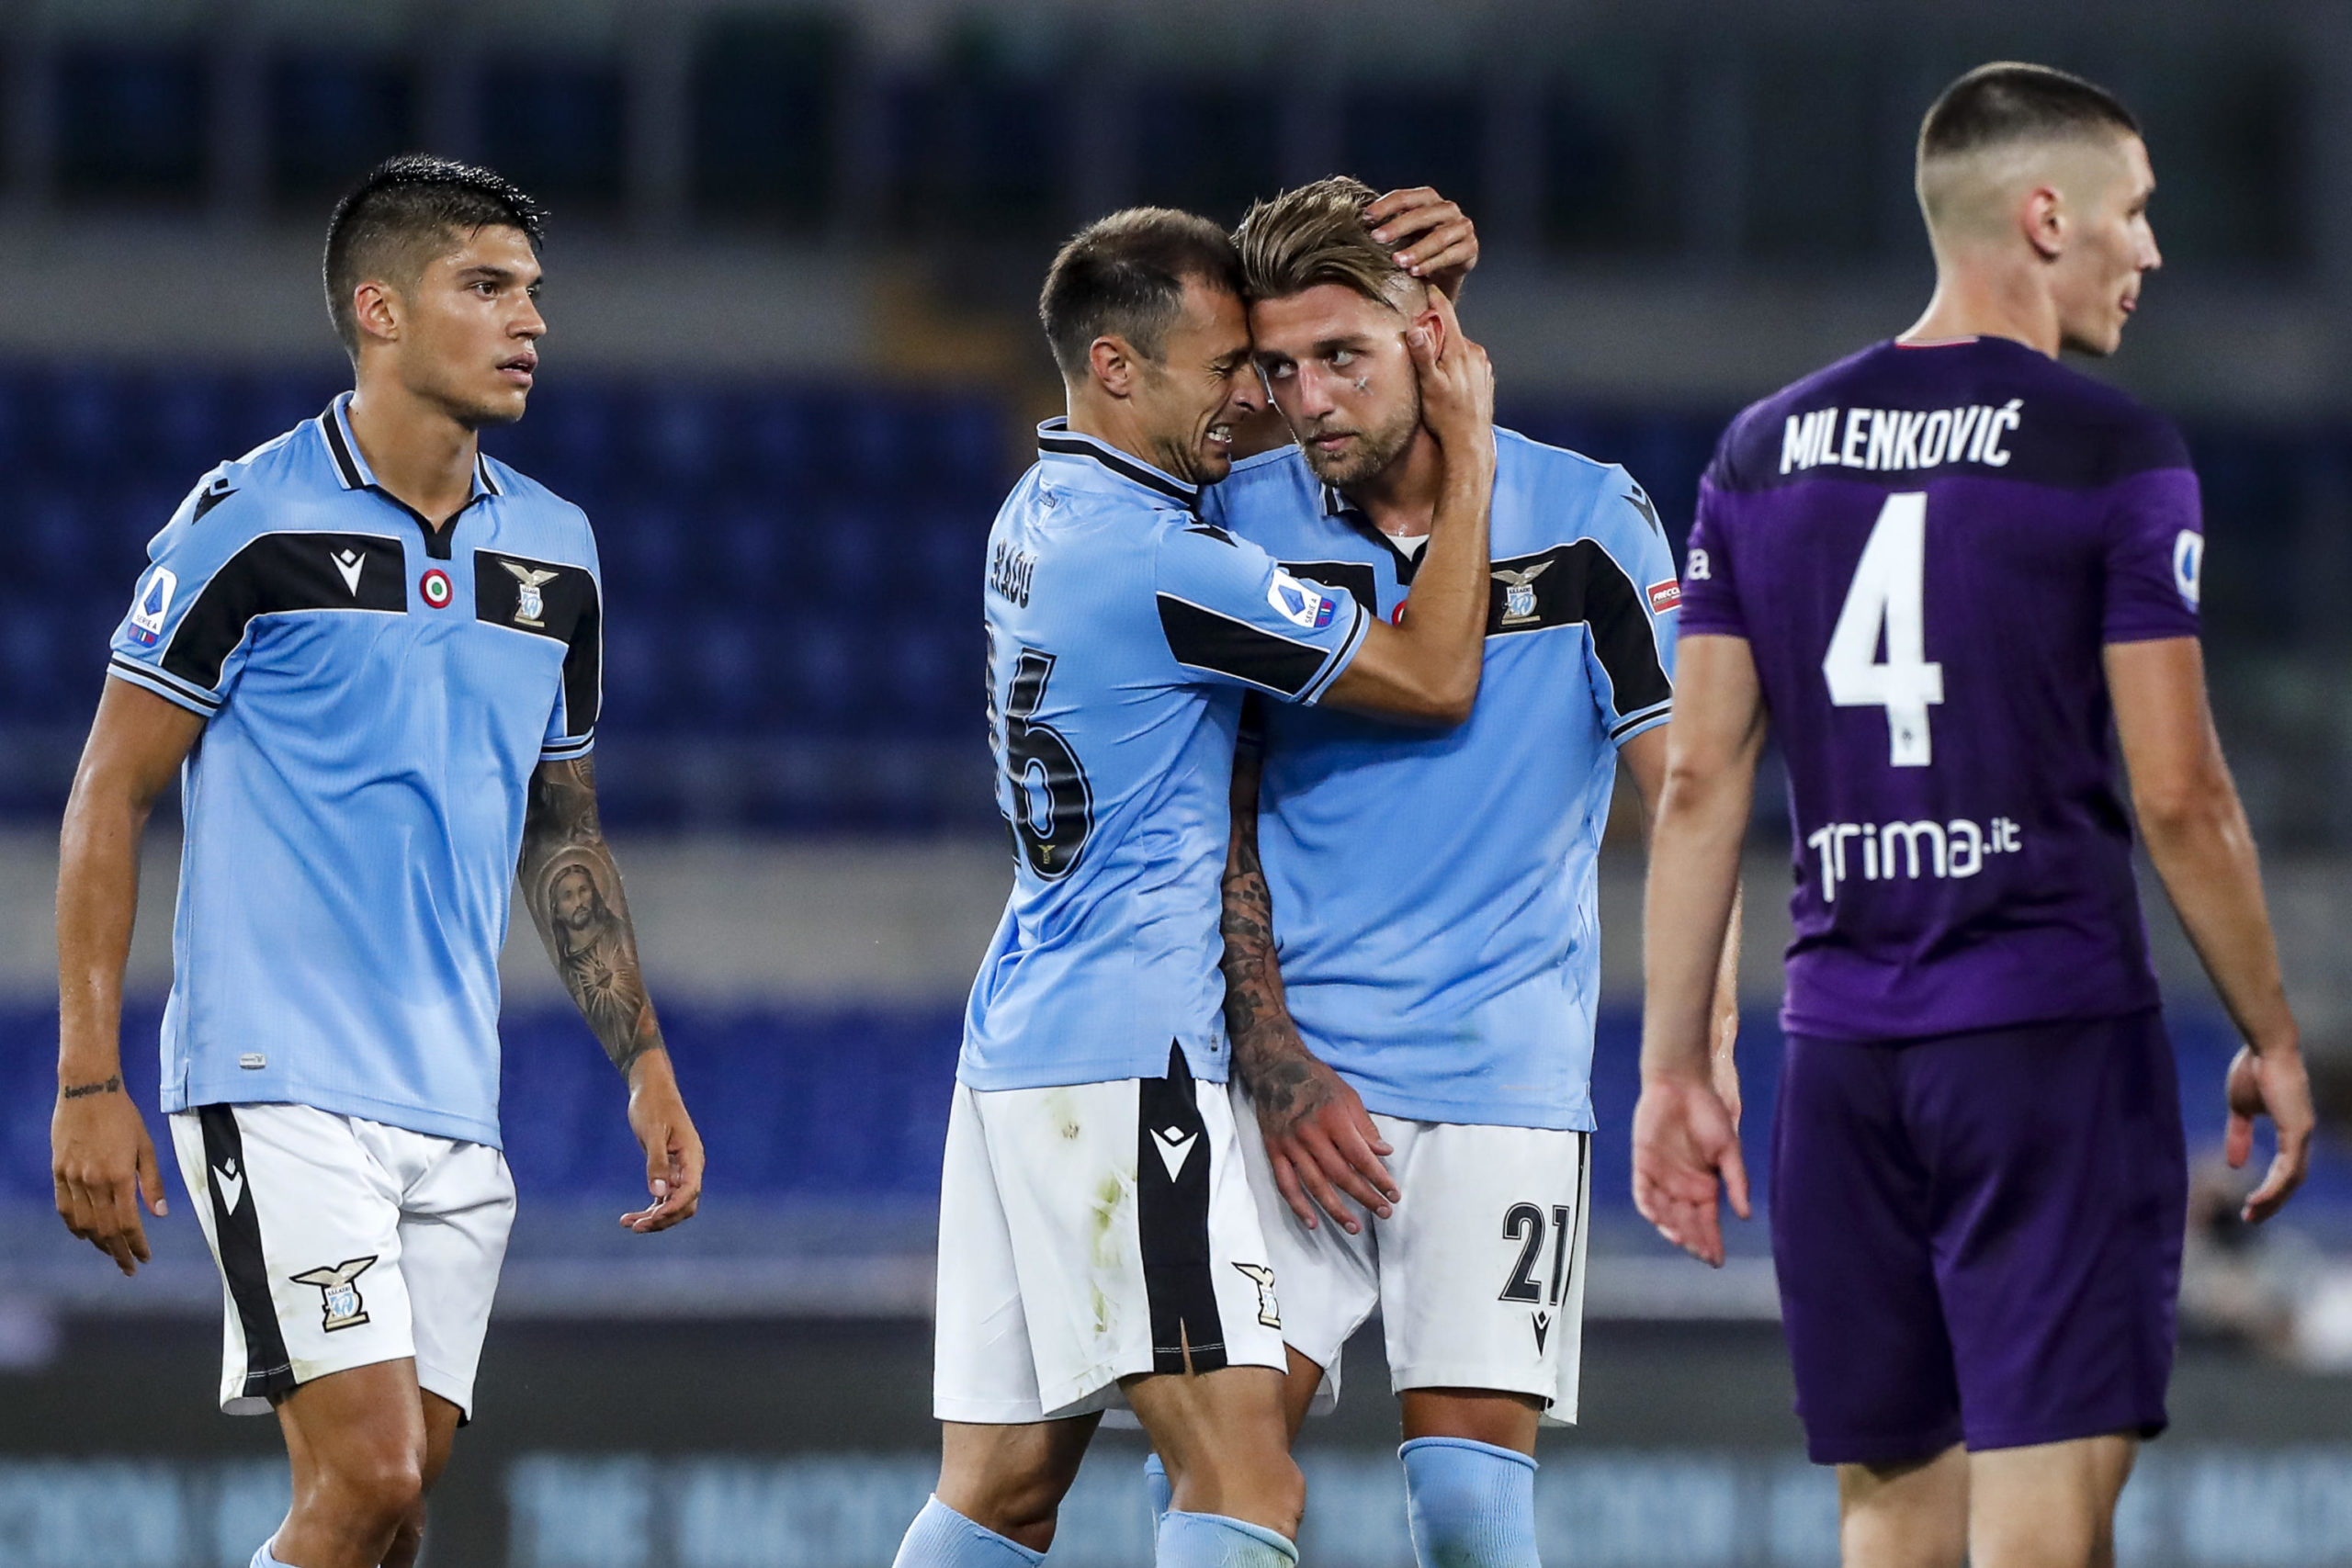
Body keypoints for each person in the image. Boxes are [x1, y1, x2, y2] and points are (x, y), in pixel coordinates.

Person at [1632, 62, 2315, 1568]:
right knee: (2041, 1541)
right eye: (2135, 215)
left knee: (1891, 1535)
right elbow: (2183, 794)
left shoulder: (1760, 453)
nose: (2151, 252)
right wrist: (2269, 1030)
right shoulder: (2110, 450)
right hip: (2048, 1054)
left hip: (1844, 1067)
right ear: (2047, 213)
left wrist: (1678, 1060)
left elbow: (1696, 781)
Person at [50, 155, 704, 1568]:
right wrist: (89, 1079)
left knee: (387, 1522)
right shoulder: (251, 521)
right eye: (485, 287)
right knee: (371, 1483)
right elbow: (109, 790)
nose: (528, 321)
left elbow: (561, 824)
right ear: (381, 311)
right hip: (279, 1079)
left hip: (453, 1102)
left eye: (533, 291)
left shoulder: (559, 554)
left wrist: (643, 1060)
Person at [1123, 175, 1736, 1568]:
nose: (1312, 398)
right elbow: (1211, 811)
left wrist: (1699, 1043)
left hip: (1498, 1081)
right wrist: (1269, 1055)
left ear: (1435, 336)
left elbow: (1690, 792)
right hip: (1280, 1091)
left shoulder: (1587, 519)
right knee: (1223, 1476)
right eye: (1281, 368)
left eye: (1344, 356)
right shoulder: (1243, 527)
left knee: (1466, 1511)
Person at [895, 206, 1495, 1568]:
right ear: (1115, 369)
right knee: (1244, 1479)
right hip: (1130, 1062)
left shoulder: (1038, 510)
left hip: (1024, 1042)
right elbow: (1432, 672)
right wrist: (1461, 442)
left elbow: (1250, 443)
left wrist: (1383, 318)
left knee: (1001, 1490)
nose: (1256, 397)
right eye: (1227, 367)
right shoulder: (1163, 561)